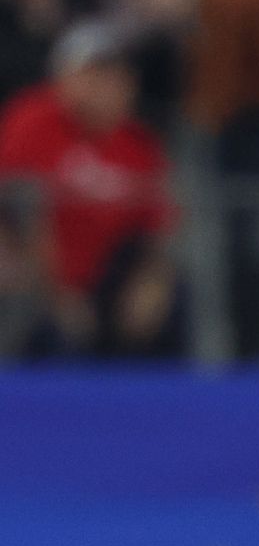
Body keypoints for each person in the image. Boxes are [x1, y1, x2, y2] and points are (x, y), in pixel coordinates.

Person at [0, 20, 180, 356]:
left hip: (106, 279)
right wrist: (59, 294)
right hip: (38, 274)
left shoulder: (139, 144)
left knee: (170, 297)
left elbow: (157, 231)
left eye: (117, 76)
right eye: (94, 74)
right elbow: (22, 212)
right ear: (63, 78)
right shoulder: (32, 120)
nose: (107, 86)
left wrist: (152, 281)